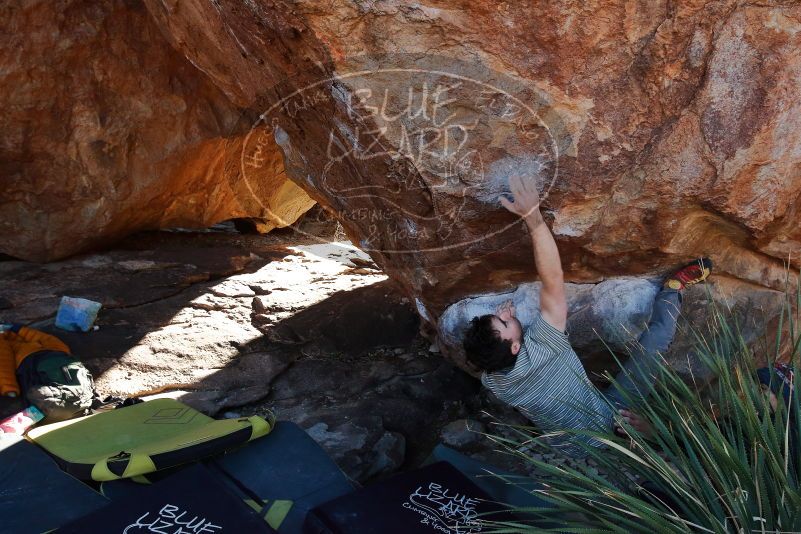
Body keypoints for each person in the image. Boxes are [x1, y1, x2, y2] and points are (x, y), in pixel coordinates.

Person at [461, 175, 713, 455]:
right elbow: (553, 278)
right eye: (505, 322)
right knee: (654, 345)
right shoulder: (545, 347)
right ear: (517, 346)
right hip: (611, 422)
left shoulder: (496, 382)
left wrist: (507, 325)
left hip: (575, 448)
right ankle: (673, 289)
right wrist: (533, 217)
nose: (506, 316)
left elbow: (492, 352)